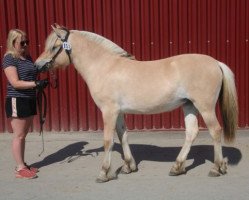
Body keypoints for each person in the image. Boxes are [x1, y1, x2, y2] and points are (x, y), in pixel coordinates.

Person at [2, 29, 48, 179]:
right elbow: (15, 83)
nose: (26, 44)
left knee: (23, 135)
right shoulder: (9, 58)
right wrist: (36, 83)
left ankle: (22, 164)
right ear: (13, 42)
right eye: (22, 42)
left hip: (29, 99)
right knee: (19, 135)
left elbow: (33, 73)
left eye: (27, 41)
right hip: (17, 99)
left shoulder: (27, 57)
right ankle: (19, 169)